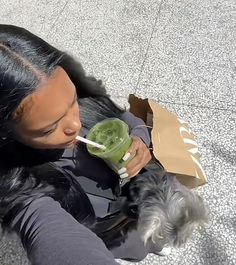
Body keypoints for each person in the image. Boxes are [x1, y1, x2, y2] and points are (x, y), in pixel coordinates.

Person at [0, 24, 153, 265]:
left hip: (140, 196)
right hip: (109, 228)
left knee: (157, 233)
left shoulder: (86, 98)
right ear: (6, 135)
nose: (75, 123)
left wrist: (139, 139)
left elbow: (127, 119)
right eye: (50, 128)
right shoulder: (25, 190)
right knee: (137, 247)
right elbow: (50, 233)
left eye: (72, 100)